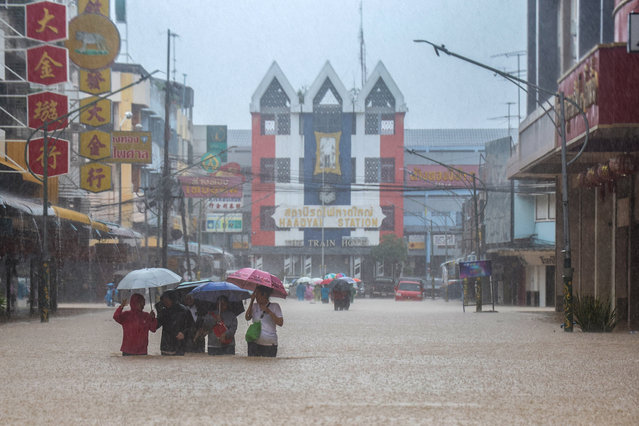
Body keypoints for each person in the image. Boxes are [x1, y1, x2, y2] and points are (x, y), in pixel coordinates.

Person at [245, 285, 283, 357]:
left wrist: (269, 311)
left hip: (270, 344)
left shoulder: (275, 306)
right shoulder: (254, 306)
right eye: (255, 295)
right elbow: (247, 317)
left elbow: (280, 323)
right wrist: (251, 301)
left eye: (257, 295)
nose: (256, 297)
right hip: (254, 343)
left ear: (264, 295)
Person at [155, 291, 190, 356]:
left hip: (179, 345)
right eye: (164, 300)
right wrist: (156, 315)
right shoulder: (163, 311)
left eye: (167, 300)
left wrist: (183, 333)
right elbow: (155, 326)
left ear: (173, 299)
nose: (165, 302)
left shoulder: (183, 310)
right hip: (166, 346)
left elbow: (189, 326)